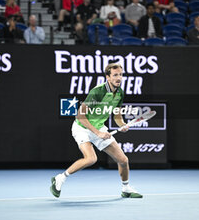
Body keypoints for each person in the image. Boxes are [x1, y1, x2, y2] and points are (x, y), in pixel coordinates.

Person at [50, 63, 142, 199]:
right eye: (115, 75)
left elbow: (117, 115)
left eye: (121, 75)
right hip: (82, 128)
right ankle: (60, 178)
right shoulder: (98, 92)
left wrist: (122, 125)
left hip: (99, 127)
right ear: (108, 77)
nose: (119, 78)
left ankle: (126, 189)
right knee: (91, 159)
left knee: (123, 160)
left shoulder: (120, 93)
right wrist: (98, 133)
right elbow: (80, 116)